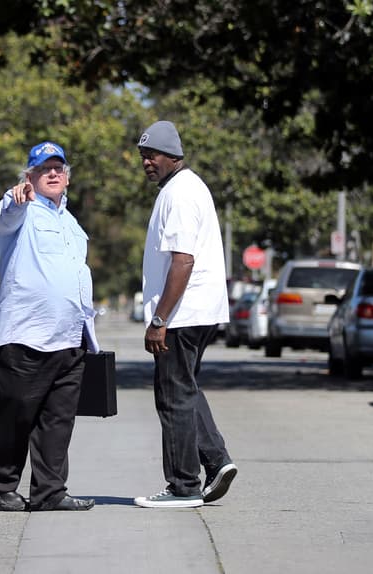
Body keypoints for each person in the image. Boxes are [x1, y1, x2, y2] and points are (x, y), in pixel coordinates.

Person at [0, 140, 99, 512]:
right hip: (26, 338)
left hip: (70, 338)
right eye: (44, 168)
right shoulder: (21, 210)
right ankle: (3, 486)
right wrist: (16, 199)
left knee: (58, 421)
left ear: (67, 177)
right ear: (29, 176)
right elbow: (6, 213)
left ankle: (50, 492)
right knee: (13, 415)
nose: (53, 173)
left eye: (59, 168)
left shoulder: (71, 223)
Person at [134, 120, 238, 509]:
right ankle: (217, 462)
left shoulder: (178, 193)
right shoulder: (189, 187)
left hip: (182, 312)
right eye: (143, 156)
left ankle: (183, 485)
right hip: (200, 309)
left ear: (173, 156)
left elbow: (183, 261)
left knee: (172, 394)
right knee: (184, 388)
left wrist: (159, 320)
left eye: (153, 156)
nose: (147, 162)